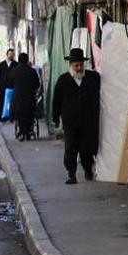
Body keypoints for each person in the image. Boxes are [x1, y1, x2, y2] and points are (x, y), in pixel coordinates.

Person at [51, 48, 101, 184]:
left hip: (87, 122)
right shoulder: (63, 81)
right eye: (76, 65)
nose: (79, 68)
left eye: (81, 65)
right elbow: (56, 101)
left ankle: (88, 170)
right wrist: (55, 118)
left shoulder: (93, 78)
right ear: (71, 65)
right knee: (70, 149)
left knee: (87, 149)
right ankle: (71, 174)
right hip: (70, 122)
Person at [10, 52, 42, 141]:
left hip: (18, 97)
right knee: (30, 114)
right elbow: (37, 84)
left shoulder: (14, 71)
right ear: (27, 60)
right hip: (29, 97)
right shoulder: (32, 71)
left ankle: (21, 131)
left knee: (19, 115)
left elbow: (10, 83)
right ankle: (29, 130)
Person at [0, 48, 17, 119]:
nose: (11, 56)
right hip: (3, 86)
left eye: (12, 54)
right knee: (2, 101)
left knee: (12, 101)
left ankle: (11, 116)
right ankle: (1, 115)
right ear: (7, 55)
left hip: (12, 86)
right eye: (10, 54)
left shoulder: (15, 64)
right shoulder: (2, 64)